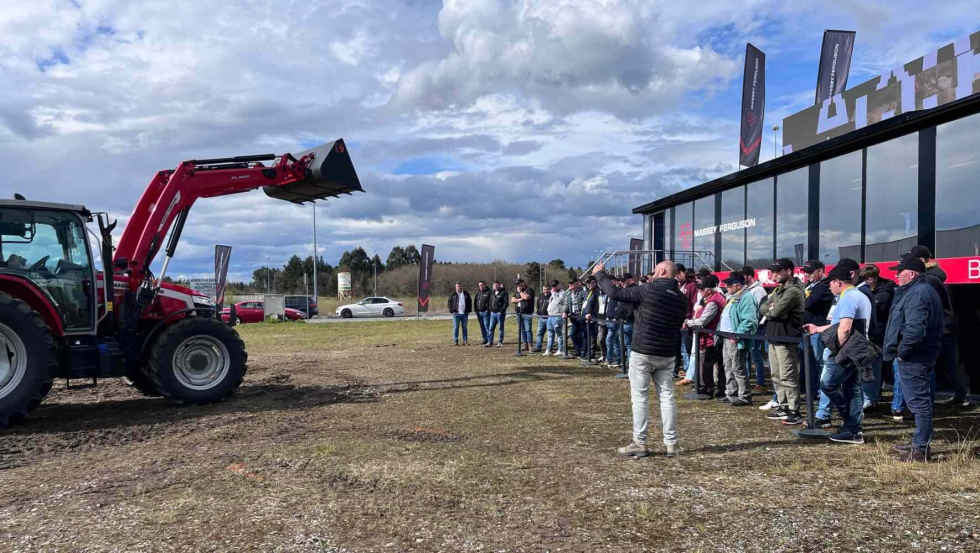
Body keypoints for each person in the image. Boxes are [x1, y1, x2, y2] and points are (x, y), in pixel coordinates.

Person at [592, 260, 688, 458]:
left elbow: (615, 294)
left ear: (661, 271)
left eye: (654, 270)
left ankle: (640, 441)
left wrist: (600, 275)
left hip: (643, 350)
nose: (651, 274)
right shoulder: (681, 298)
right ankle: (672, 444)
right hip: (667, 352)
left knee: (640, 398)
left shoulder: (647, 290)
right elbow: (679, 323)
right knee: (667, 398)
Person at [882, 256, 944, 462]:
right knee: (918, 401)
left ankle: (920, 448)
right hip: (918, 354)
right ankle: (919, 441)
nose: (896, 275)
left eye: (899, 271)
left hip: (915, 356)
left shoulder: (917, 293)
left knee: (918, 402)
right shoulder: (919, 291)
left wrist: (903, 351)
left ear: (912, 273)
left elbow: (915, 328)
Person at [804, 263, 873, 443]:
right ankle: (853, 429)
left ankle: (850, 422)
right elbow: (842, 324)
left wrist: (837, 349)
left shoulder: (847, 298)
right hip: (858, 348)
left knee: (828, 384)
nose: (829, 286)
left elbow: (844, 328)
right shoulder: (860, 295)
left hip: (846, 349)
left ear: (837, 282)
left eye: (830, 283)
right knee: (853, 388)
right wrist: (819, 329)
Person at [907, 245, 969, 408]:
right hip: (944, 326)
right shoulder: (934, 278)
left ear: (921, 260)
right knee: (947, 364)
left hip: (940, 328)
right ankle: (959, 395)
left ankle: (959, 396)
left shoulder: (929, 280)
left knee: (942, 364)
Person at [761, 258, 805, 424]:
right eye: (773, 271)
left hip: (786, 337)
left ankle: (795, 410)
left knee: (788, 375)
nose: (774, 274)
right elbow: (763, 306)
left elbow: (776, 310)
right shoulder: (779, 289)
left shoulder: (793, 290)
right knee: (776, 374)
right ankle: (783, 406)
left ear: (788, 271)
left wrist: (773, 310)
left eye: (777, 271)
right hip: (774, 336)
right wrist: (771, 309)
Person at [801, 261, 834, 427]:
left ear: (821, 271)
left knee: (821, 363)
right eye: (805, 272)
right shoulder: (808, 286)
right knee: (810, 364)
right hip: (806, 329)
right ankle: (813, 392)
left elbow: (807, 304)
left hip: (818, 329)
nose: (807, 275)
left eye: (810, 272)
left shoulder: (824, 286)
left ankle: (822, 394)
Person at [860, 264, 896, 412]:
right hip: (868, 333)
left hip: (878, 334)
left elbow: (877, 307)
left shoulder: (885, 290)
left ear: (871, 279)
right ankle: (868, 397)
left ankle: (871, 399)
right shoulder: (868, 289)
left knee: (873, 367)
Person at [720, 272, 759, 406]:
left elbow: (749, 320)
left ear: (738, 285)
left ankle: (744, 395)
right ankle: (731, 393)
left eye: (729, 285)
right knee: (728, 366)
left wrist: (736, 335)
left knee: (738, 367)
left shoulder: (746, 298)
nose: (727, 287)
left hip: (735, 338)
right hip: (727, 337)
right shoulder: (733, 296)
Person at [685, 274, 726, 398]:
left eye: (702, 289)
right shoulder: (712, 298)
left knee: (706, 364)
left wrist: (687, 322)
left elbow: (703, 321)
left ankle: (707, 388)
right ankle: (717, 388)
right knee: (716, 364)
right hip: (711, 336)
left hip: (711, 338)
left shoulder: (714, 301)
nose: (699, 291)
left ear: (709, 290)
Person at [742, 266, 769, 392]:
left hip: (756, 326)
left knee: (755, 354)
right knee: (748, 353)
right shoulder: (747, 289)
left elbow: (760, 310)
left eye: (743, 276)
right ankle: (747, 379)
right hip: (748, 325)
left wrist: (755, 322)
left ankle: (761, 382)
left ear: (748, 276)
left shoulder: (758, 290)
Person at [511, 279, 535, 352]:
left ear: (523, 283)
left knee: (528, 330)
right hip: (519, 313)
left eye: (519, 284)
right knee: (522, 330)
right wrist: (520, 299)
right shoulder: (516, 292)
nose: (518, 286)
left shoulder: (529, 290)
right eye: (517, 285)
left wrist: (520, 293)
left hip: (527, 313)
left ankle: (530, 345)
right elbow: (512, 300)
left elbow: (527, 297)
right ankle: (525, 345)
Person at [563, 279, 586, 356]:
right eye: (569, 284)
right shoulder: (569, 294)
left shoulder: (582, 292)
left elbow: (586, 302)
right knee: (573, 334)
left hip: (581, 316)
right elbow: (567, 305)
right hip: (573, 317)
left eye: (572, 284)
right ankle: (577, 349)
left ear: (576, 284)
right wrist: (565, 312)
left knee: (581, 334)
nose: (570, 285)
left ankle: (583, 350)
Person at [544, 280, 566, 356]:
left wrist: (553, 293)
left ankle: (560, 349)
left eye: (555, 285)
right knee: (550, 333)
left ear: (559, 285)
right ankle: (548, 349)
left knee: (559, 333)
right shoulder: (553, 293)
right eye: (553, 286)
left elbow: (558, 301)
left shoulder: (562, 293)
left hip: (557, 316)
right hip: (550, 315)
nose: (554, 287)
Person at [581, 277, 601, 360]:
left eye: (589, 283)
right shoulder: (589, 291)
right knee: (587, 336)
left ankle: (591, 355)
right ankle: (586, 353)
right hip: (586, 317)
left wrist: (592, 315)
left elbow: (596, 305)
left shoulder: (597, 291)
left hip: (593, 317)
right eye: (587, 283)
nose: (588, 285)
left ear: (594, 282)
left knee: (592, 337)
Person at [487, 281, 509, 348]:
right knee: (490, 328)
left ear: (500, 285)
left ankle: (500, 342)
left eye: (497, 285)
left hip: (500, 314)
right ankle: (490, 342)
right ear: (493, 286)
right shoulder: (491, 293)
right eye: (495, 285)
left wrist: (501, 310)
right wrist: (490, 309)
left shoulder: (504, 293)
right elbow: (489, 302)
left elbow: (506, 303)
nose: (496, 286)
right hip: (492, 313)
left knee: (500, 328)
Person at [473, 281, 493, 346]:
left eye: (482, 285)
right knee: (482, 327)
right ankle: (485, 339)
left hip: (486, 312)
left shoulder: (489, 292)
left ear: (485, 285)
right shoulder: (478, 293)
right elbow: (475, 302)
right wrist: (476, 311)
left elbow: (491, 302)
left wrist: (488, 310)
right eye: (480, 285)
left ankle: (489, 340)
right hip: (479, 313)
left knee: (487, 326)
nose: (481, 286)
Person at [533, 284, 551, 353]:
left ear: (549, 289)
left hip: (549, 319)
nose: (545, 291)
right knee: (539, 333)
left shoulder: (552, 297)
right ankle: (538, 347)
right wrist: (538, 313)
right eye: (544, 289)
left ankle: (549, 348)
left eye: (547, 289)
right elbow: (538, 306)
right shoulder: (540, 297)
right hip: (541, 319)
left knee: (550, 334)